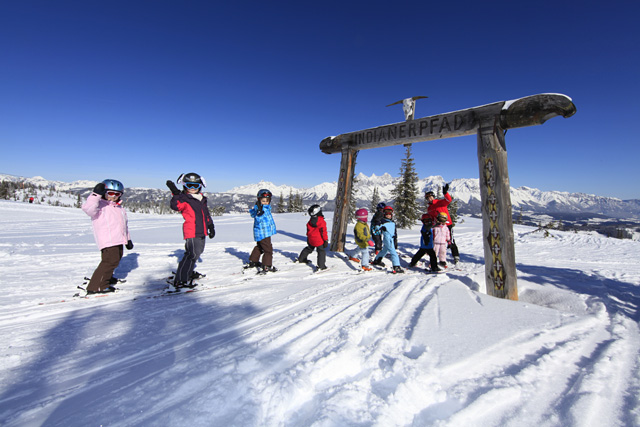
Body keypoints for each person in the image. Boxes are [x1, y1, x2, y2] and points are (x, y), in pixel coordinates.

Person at [82, 179, 133, 294]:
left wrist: (128, 239)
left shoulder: (119, 208)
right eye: (110, 193)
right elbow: (88, 209)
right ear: (104, 193)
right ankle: (97, 286)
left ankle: (106, 277)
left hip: (119, 239)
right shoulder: (99, 205)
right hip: (108, 240)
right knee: (109, 261)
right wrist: (95, 195)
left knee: (115, 260)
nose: (113, 196)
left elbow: (124, 226)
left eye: (117, 194)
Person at [166, 172, 215, 289]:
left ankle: (187, 272)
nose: (192, 189)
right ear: (184, 186)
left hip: (201, 230)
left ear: (200, 186)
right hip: (192, 231)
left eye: (195, 186)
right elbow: (176, 206)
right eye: (189, 186)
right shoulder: (184, 199)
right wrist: (175, 194)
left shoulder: (202, 199)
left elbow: (206, 214)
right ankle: (181, 279)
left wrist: (211, 226)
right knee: (191, 254)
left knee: (197, 253)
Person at [425, 183, 460, 264]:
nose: (429, 198)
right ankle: (436, 257)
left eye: (430, 197)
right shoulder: (429, 208)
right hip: (437, 226)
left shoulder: (440, 202)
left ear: (433, 196)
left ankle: (455, 255)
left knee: (450, 240)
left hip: (447, 224)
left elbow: (449, 200)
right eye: (427, 198)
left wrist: (445, 193)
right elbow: (432, 217)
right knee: (437, 241)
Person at [248, 189, 277, 273]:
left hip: (263, 232)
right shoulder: (260, 209)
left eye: (267, 201)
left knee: (260, 247)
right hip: (263, 233)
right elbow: (258, 219)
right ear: (259, 200)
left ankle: (253, 260)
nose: (265, 202)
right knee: (268, 250)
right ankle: (267, 265)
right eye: (263, 201)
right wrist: (259, 213)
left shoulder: (266, 208)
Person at [371, 206, 404, 273]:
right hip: (387, 238)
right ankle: (396, 266)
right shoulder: (382, 221)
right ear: (384, 214)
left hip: (391, 238)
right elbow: (377, 226)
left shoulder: (392, 222)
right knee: (393, 252)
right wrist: (378, 226)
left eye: (390, 214)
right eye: (387, 214)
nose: (388, 215)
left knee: (384, 251)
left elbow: (394, 232)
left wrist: (395, 240)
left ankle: (377, 260)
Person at [296, 204, 329, 270]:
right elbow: (323, 232)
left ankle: (301, 258)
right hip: (319, 240)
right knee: (321, 251)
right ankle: (321, 266)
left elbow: (308, 229)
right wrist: (325, 240)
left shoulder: (311, 220)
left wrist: (308, 236)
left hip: (311, 238)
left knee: (309, 248)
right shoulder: (321, 221)